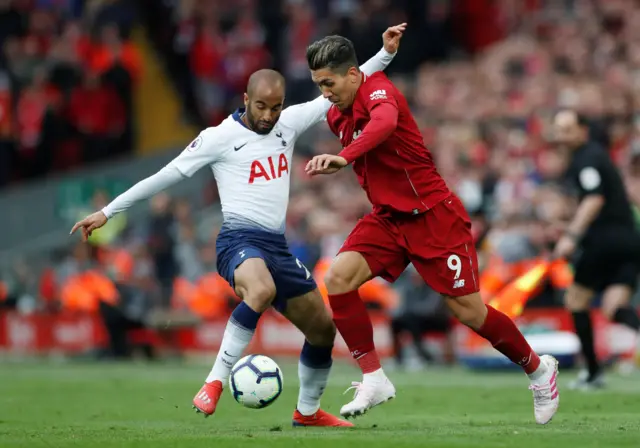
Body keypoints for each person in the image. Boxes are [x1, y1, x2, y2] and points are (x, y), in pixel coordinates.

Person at [70, 24, 406, 428]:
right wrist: (108, 211)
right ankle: (213, 383)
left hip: (277, 247)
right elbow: (165, 175)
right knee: (259, 290)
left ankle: (308, 412)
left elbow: (343, 85)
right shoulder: (218, 137)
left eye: (275, 107)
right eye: (261, 106)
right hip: (238, 239)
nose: (268, 115)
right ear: (246, 99)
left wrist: (385, 54)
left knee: (322, 330)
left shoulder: (289, 122)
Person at [304, 35, 559, 424]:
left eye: (329, 83)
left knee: (470, 313)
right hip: (389, 218)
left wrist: (343, 157)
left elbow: (385, 123)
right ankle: (374, 378)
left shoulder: (379, 90)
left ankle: (540, 371)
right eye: (318, 84)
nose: (324, 93)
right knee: (338, 279)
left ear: (353, 74)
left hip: (432, 216)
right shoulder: (336, 111)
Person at [552, 110, 640, 389]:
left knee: (575, 301)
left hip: (604, 241)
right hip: (628, 240)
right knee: (615, 308)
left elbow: (594, 199)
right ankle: (593, 371)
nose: (561, 135)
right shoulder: (596, 155)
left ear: (583, 130)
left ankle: (592, 372)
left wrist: (571, 235)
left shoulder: (586, 158)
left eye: (567, 129)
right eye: (558, 129)